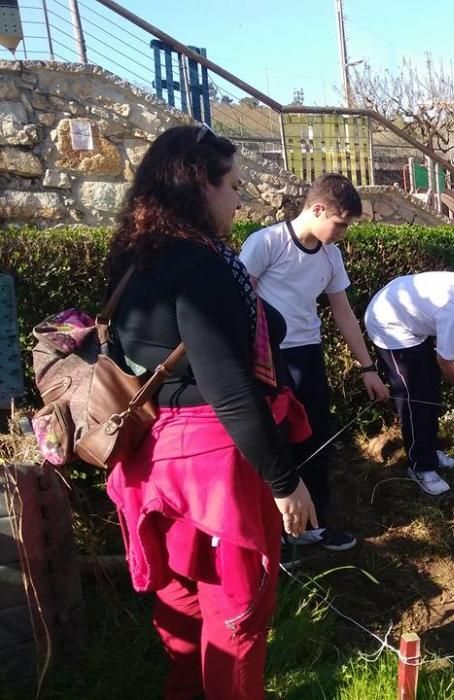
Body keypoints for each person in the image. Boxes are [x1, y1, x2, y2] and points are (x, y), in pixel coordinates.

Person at [104, 124, 316, 699]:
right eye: (235, 186)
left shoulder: (135, 254)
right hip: (214, 464)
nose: (240, 200)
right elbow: (228, 388)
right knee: (238, 611)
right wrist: (284, 480)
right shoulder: (202, 264)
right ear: (201, 184)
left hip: (150, 454)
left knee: (182, 599)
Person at [240, 173, 388, 553]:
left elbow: (343, 313)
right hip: (268, 359)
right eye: (339, 223)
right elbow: (235, 299)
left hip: (309, 353)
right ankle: (270, 536)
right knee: (275, 446)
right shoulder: (266, 243)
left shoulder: (330, 255)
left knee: (316, 441)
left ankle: (313, 526)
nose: (341, 232)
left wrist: (368, 368)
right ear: (317, 209)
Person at [364, 269, 454, 495]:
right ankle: (420, 466)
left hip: (410, 321)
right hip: (388, 325)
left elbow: (443, 356)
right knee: (413, 397)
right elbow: (445, 361)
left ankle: (430, 449)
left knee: (430, 387)